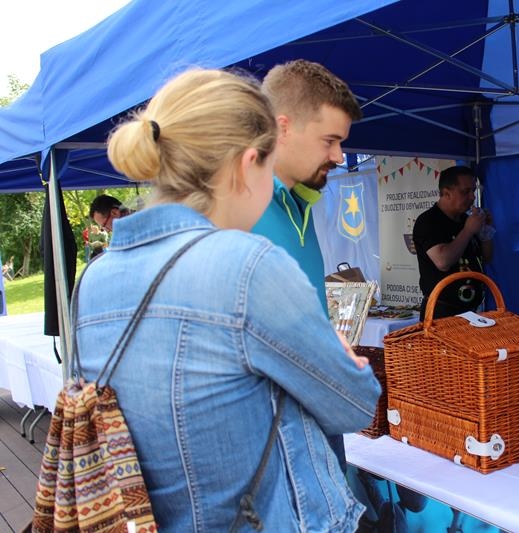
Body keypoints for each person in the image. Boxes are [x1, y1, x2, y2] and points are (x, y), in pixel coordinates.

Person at [75, 68, 381, 532]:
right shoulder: (247, 265)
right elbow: (353, 407)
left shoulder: (94, 279)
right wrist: (341, 360)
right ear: (248, 163)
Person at [250, 59, 363, 470]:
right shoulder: (235, 209)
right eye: (329, 140)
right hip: (269, 434)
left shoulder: (302, 201)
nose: (339, 155)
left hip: (316, 411)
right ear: (283, 128)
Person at [412, 165, 495, 321]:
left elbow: (487, 257)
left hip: (472, 310)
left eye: (473, 191)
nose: (472, 197)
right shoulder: (428, 221)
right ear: (446, 193)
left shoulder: (465, 219)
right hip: (442, 312)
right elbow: (443, 261)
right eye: (465, 192)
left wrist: (486, 231)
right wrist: (468, 231)